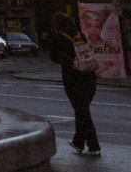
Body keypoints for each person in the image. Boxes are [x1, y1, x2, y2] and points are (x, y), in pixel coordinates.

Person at [50, 12, 101, 156]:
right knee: (82, 110)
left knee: (82, 111)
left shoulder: (58, 38)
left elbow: (53, 57)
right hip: (89, 76)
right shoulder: (80, 35)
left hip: (73, 78)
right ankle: (78, 142)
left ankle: (94, 146)